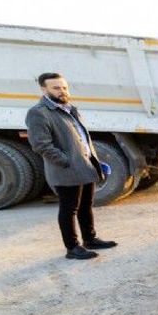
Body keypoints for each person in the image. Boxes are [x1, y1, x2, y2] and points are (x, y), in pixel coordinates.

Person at [25, 72, 117, 260]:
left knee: (85, 206)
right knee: (69, 209)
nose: (62, 91)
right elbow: (40, 144)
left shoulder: (70, 109)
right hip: (65, 171)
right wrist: (66, 161)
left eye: (64, 87)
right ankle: (72, 248)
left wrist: (92, 159)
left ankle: (90, 239)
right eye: (56, 88)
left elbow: (81, 139)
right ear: (44, 89)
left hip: (85, 167)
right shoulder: (38, 112)